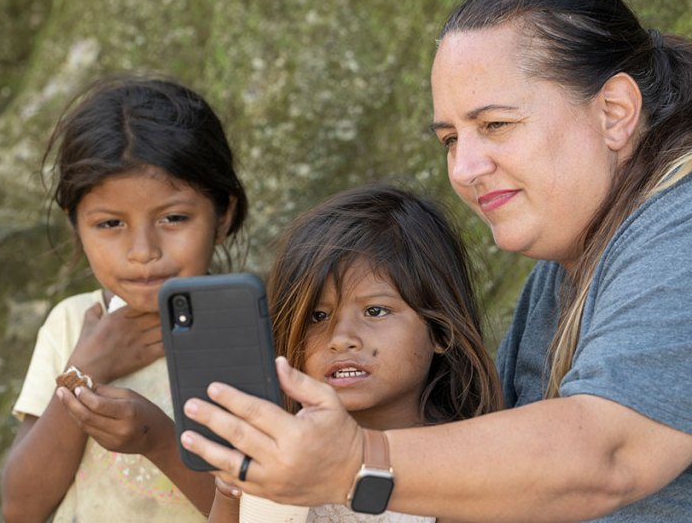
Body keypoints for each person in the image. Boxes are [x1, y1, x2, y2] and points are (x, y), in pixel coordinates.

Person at [177, 0, 692, 521]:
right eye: (451, 138)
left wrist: (357, 461)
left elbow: (604, 455)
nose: (465, 167)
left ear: (614, 112)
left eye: (495, 125)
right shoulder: (566, 264)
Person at [1, 75, 248, 522]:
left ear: (223, 214)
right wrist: (86, 368)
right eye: (110, 224)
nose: (143, 252)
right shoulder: (74, 323)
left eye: (173, 217)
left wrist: (157, 439)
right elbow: (21, 508)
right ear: (76, 223)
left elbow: (255, 511)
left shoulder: (248, 333)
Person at [207, 184, 503, 522]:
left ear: (441, 330)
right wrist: (230, 493)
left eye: (375, 311)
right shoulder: (284, 453)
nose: (341, 339)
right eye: (318, 316)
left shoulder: (466, 462)